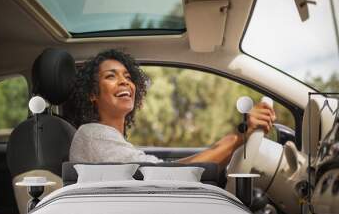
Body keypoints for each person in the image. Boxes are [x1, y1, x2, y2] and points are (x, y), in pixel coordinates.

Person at [66, 49, 276, 167]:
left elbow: (161, 171)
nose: (124, 82)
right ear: (92, 93)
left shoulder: (112, 140)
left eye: (128, 77)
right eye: (111, 76)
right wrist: (237, 138)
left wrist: (232, 143)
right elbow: (165, 175)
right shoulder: (92, 135)